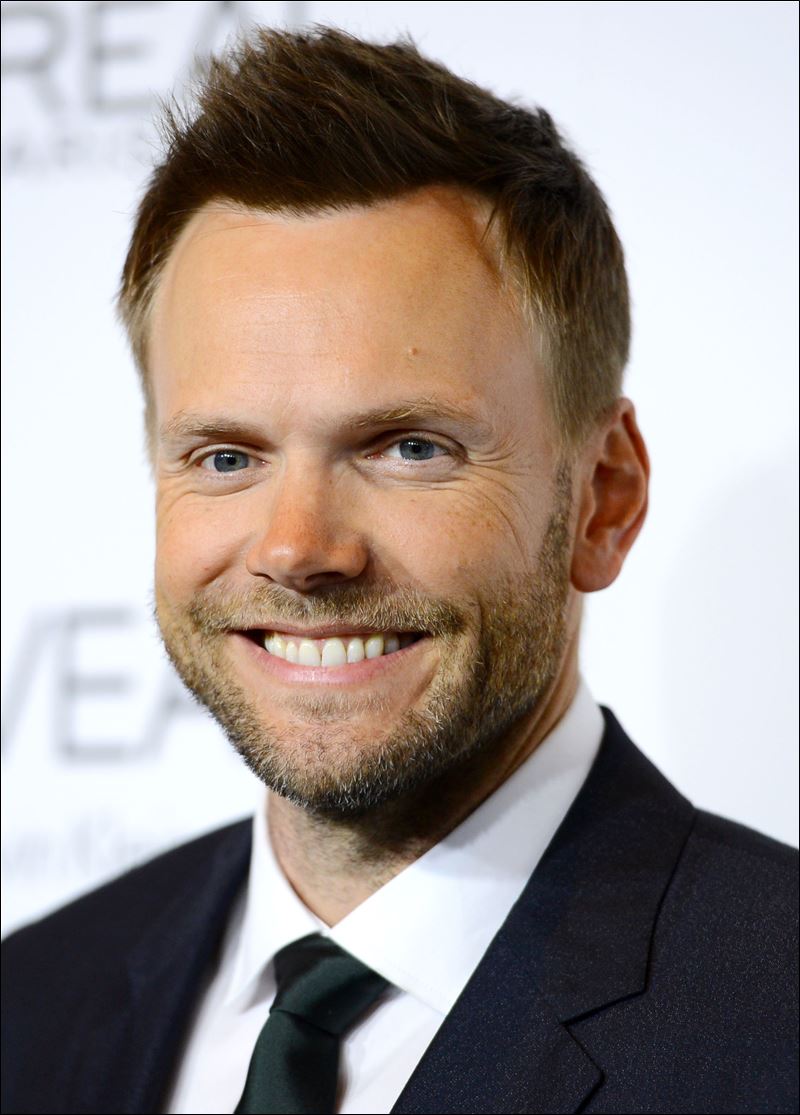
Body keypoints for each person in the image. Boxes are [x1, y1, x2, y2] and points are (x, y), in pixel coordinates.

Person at [2, 25, 797, 1115]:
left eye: (409, 448)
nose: (297, 548)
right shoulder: (29, 1007)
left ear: (603, 498)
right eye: (226, 457)